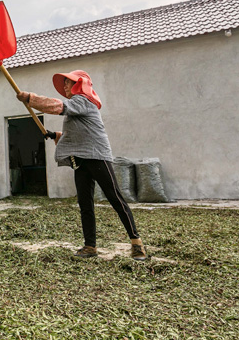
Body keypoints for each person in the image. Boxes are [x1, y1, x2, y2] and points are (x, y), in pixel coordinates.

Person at [16, 70, 147, 260]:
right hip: (80, 159)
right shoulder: (76, 106)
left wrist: (31, 99)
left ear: (79, 84)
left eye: (68, 82)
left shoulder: (83, 101)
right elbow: (77, 133)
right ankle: (90, 246)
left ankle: (137, 243)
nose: (65, 86)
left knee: (115, 198)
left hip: (97, 156)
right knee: (85, 204)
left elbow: (57, 106)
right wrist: (55, 135)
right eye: (64, 83)